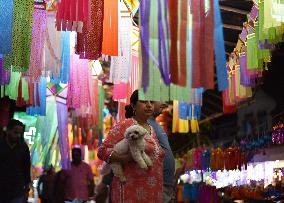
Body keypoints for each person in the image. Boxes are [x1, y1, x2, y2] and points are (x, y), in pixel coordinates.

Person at [97, 90, 165, 203]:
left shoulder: (151, 129)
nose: (149, 105)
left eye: (151, 102)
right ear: (133, 105)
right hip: (130, 190)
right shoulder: (126, 125)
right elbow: (102, 151)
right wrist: (126, 158)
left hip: (153, 191)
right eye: (144, 101)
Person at [148, 101, 176, 203]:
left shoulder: (155, 124)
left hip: (165, 183)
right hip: (157, 184)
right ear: (149, 103)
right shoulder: (144, 124)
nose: (164, 104)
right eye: (160, 100)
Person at [0, 119, 31, 203]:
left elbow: (26, 167)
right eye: (16, 132)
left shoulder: (23, 147)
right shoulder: (1, 145)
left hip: (17, 190)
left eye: (20, 133)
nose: (18, 135)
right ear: (8, 131)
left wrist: (27, 189)